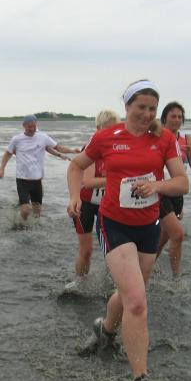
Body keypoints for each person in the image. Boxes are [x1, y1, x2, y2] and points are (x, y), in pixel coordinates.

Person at [67, 79, 188, 381]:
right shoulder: (107, 137)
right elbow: (76, 167)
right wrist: (75, 197)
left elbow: (182, 183)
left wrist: (157, 187)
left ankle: (105, 330)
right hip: (114, 224)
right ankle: (140, 380)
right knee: (137, 301)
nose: (147, 114)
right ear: (127, 107)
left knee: (128, 295)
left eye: (152, 109)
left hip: (148, 226)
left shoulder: (163, 139)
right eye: (141, 107)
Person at [0, 114, 79, 222]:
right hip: (22, 179)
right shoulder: (17, 139)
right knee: (26, 209)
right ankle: (22, 225)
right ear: (24, 126)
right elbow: (8, 153)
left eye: (34, 126)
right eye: (29, 126)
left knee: (37, 212)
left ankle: (33, 227)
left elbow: (57, 147)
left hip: (37, 180)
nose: (32, 129)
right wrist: (2, 168)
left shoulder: (42, 137)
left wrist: (72, 151)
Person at [71, 110, 119, 280]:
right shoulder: (91, 148)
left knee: (113, 249)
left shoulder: (119, 149)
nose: (111, 134)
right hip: (85, 205)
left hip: (107, 204)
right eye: (107, 129)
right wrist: (115, 179)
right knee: (86, 251)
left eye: (115, 130)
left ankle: (113, 284)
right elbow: (88, 182)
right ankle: (79, 283)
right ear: (98, 129)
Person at [156, 102, 191, 276]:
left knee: (165, 235)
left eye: (180, 117)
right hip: (160, 192)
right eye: (173, 116)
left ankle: (146, 264)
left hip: (177, 192)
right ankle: (176, 278)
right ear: (164, 118)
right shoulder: (157, 136)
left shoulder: (186, 139)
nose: (176, 119)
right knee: (177, 234)